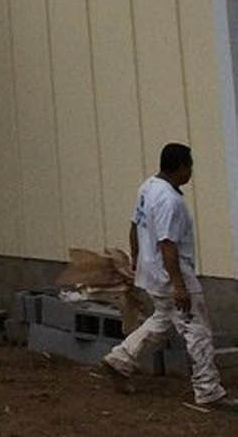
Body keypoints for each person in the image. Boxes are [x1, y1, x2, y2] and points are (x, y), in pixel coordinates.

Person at [99, 143, 237, 409]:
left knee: (162, 320)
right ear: (181, 166)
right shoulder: (170, 201)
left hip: (153, 274)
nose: (191, 172)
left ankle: (121, 359)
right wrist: (180, 286)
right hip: (172, 275)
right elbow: (168, 244)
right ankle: (208, 389)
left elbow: (134, 225)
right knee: (198, 331)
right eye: (190, 166)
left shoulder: (147, 187)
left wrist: (137, 258)